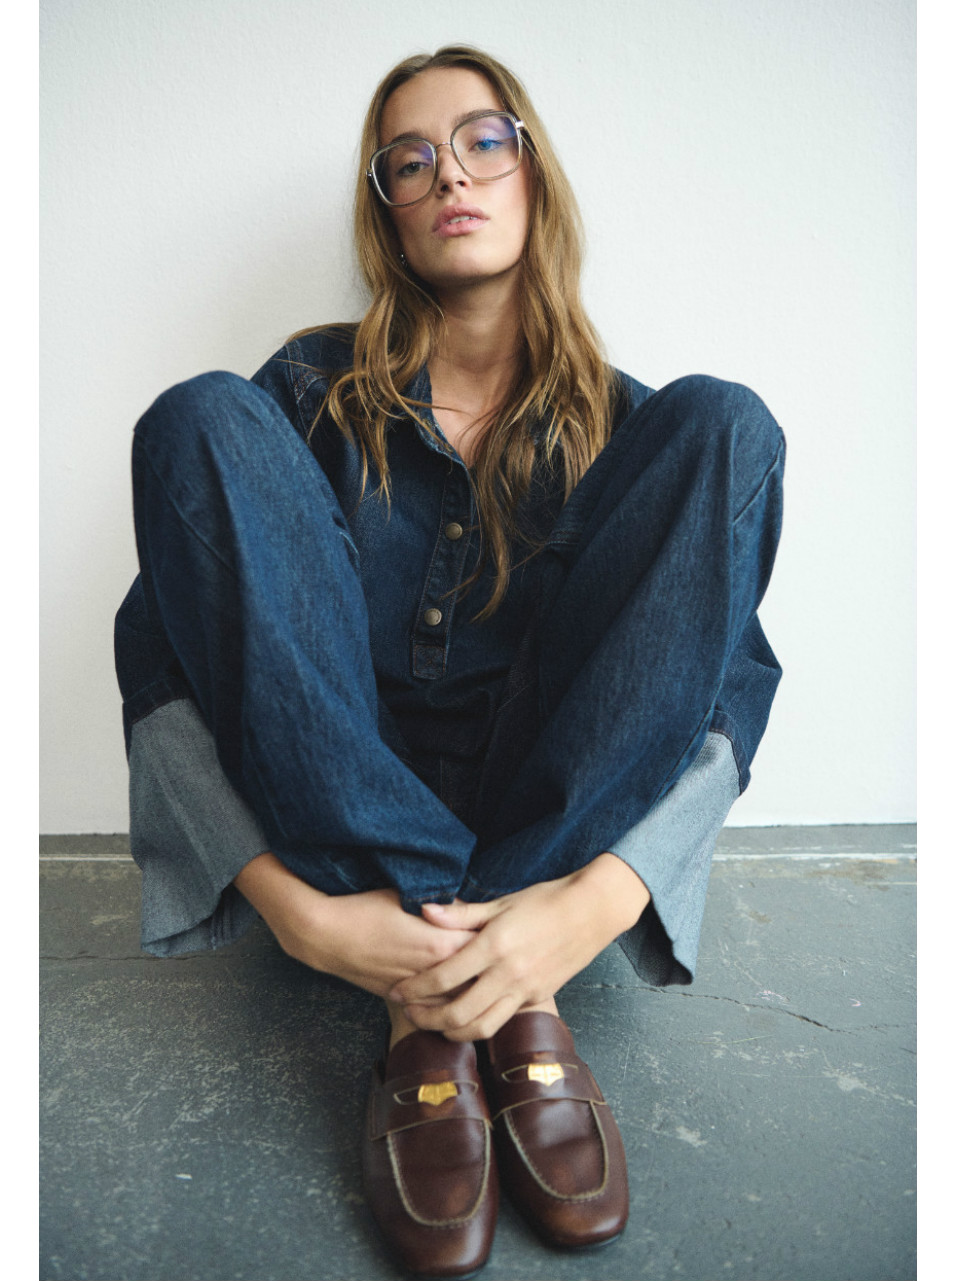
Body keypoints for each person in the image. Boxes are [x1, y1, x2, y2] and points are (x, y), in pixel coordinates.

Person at [115, 44, 784, 1280]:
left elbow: (726, 680)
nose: (450, 177)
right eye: (410, 161)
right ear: (388, 212)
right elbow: (162, 638)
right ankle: (455, 990)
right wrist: (301, 917)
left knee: (728, 419)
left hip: (552, 832)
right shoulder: (301, 395)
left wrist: (587, 910)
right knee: (194, 417)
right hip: (333, 823)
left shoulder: (641, 438)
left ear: (534, 172)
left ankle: (504, 987)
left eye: (482, 142)